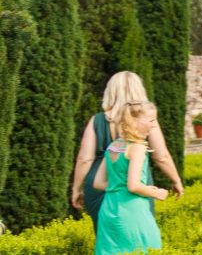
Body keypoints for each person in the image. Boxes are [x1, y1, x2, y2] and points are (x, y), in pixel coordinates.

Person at [71, 71, 185, 223]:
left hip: (100, 183)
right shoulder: (147, 120)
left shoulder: (97, 120)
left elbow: (85, 159)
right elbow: (161, 156)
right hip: (135, 184)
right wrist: (176, 180)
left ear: (110, 91)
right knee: (137, 237)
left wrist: (76, 189)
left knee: (106, 238)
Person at [93, 101, 169, 255]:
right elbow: (133, 186)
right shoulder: (138, 147)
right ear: (134, 120)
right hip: (132, 211)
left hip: (109, 210)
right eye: (151, 120)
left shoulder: (113, 146)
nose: (154, 125)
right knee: (149, 248)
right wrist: (156, 193)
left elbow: (98, 183)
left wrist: (117, 186)